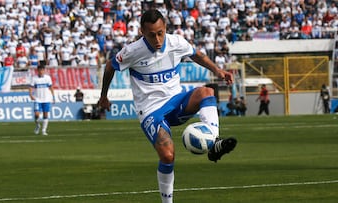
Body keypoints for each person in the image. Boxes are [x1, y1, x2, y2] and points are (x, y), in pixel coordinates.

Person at [97, 10, 237, 203]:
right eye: (152, 34)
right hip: (151, 111)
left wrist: (218, 70)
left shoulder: (176, 42)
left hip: (176, 101)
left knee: (207, 92)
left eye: (160, 32)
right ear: (142, 32)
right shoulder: (132, 51)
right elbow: (110, 66)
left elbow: (197, 55)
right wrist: (104, 96)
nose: (157, 39)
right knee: (168, 155)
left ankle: (214, 143)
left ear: (165, 29)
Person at [29, 64, 55, 136]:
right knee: (36, 114)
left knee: (45, 114)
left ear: (44, 70)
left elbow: (51, 87)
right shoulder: (34, 78)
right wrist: (31, 95)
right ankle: (37, 125)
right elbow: (31, 87)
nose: (41, 71)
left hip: (46, 98)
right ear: (38, 71)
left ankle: (44, 130)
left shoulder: (47, 78)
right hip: (38, 99)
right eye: (40, 70)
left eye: (42, 70)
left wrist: (53, 96)